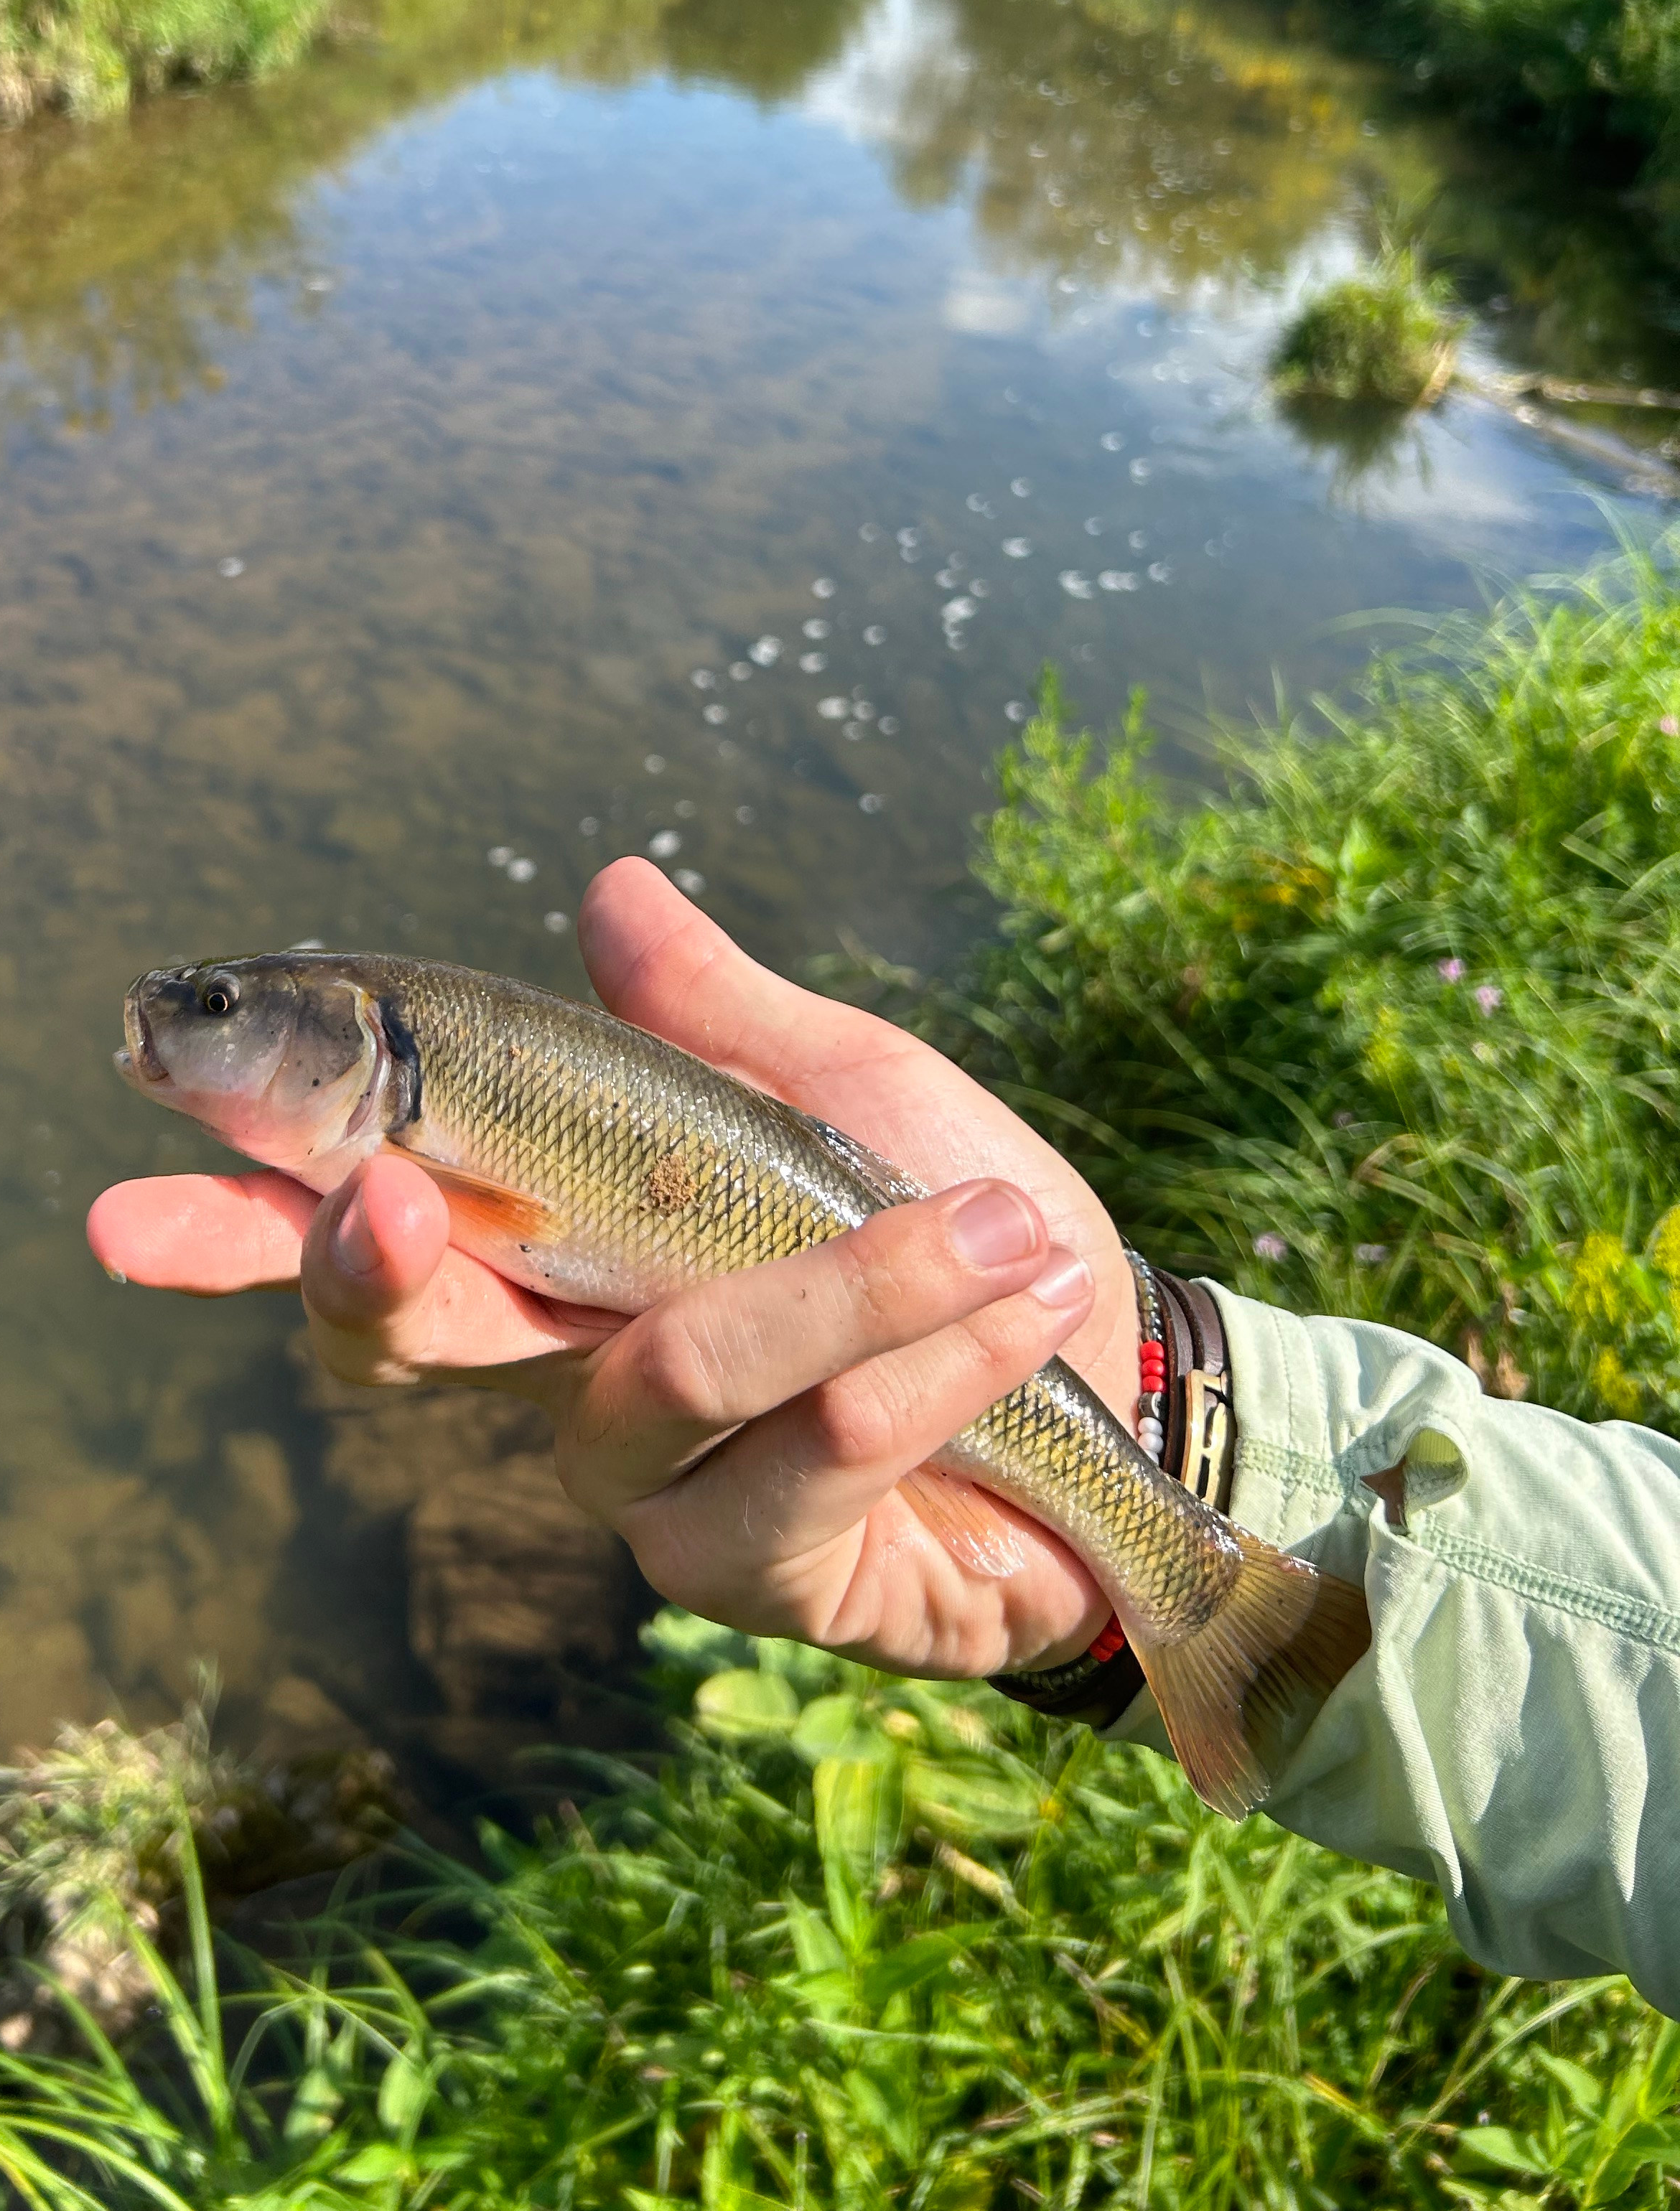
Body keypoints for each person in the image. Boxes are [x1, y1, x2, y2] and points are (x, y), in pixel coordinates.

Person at [88, 858, 1680, 2016]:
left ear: (358, 1046)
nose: (183, 1019)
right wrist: (1182, 1440)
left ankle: (1203, 1590)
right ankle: (1197, 1580)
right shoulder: (395, 1099)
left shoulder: (434, 1084)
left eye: (221, 1009)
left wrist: (1171, 1490)